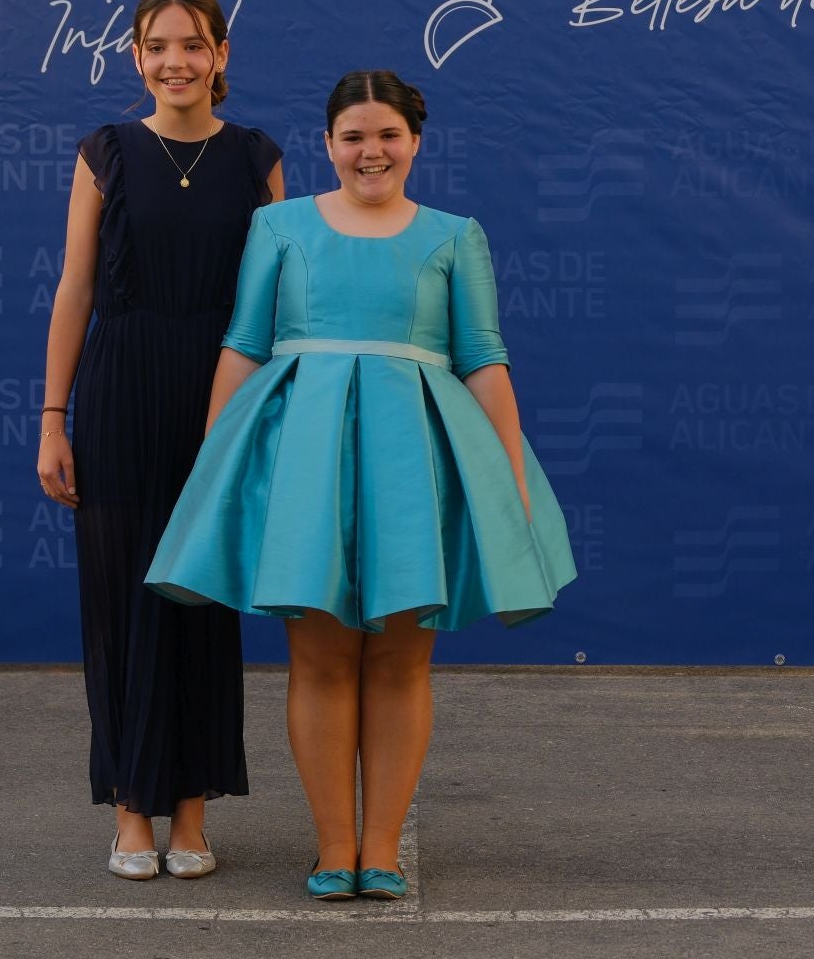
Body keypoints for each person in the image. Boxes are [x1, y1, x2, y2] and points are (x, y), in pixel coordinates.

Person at [145, 69, 576, 901]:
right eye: (353, 136)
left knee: (402, 660)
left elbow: (483, 359)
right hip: (302, 457)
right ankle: (333, 848)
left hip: (417, 457)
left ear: (415, 141)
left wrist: (509, 480)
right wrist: (215, 464)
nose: (370, 152)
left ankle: (382, 850)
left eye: (387, 135)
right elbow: (242, 344)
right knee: (320, 656)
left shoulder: (455, 235)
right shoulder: (278, 225)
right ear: (328, 144)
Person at [36, 0, 284, 881]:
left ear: (220, 55)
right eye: (157, 44)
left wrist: (262, 419)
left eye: (193, 43)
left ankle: (191, 814)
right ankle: (131, 810)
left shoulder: (258, 157)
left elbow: (268, 306)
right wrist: (53, 418)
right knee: (120, 602)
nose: (175, 59)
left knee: (202, 604)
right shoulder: (104, 151)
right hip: (118, 394)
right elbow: (76, 289)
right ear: (135, 56)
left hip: (219, 396)